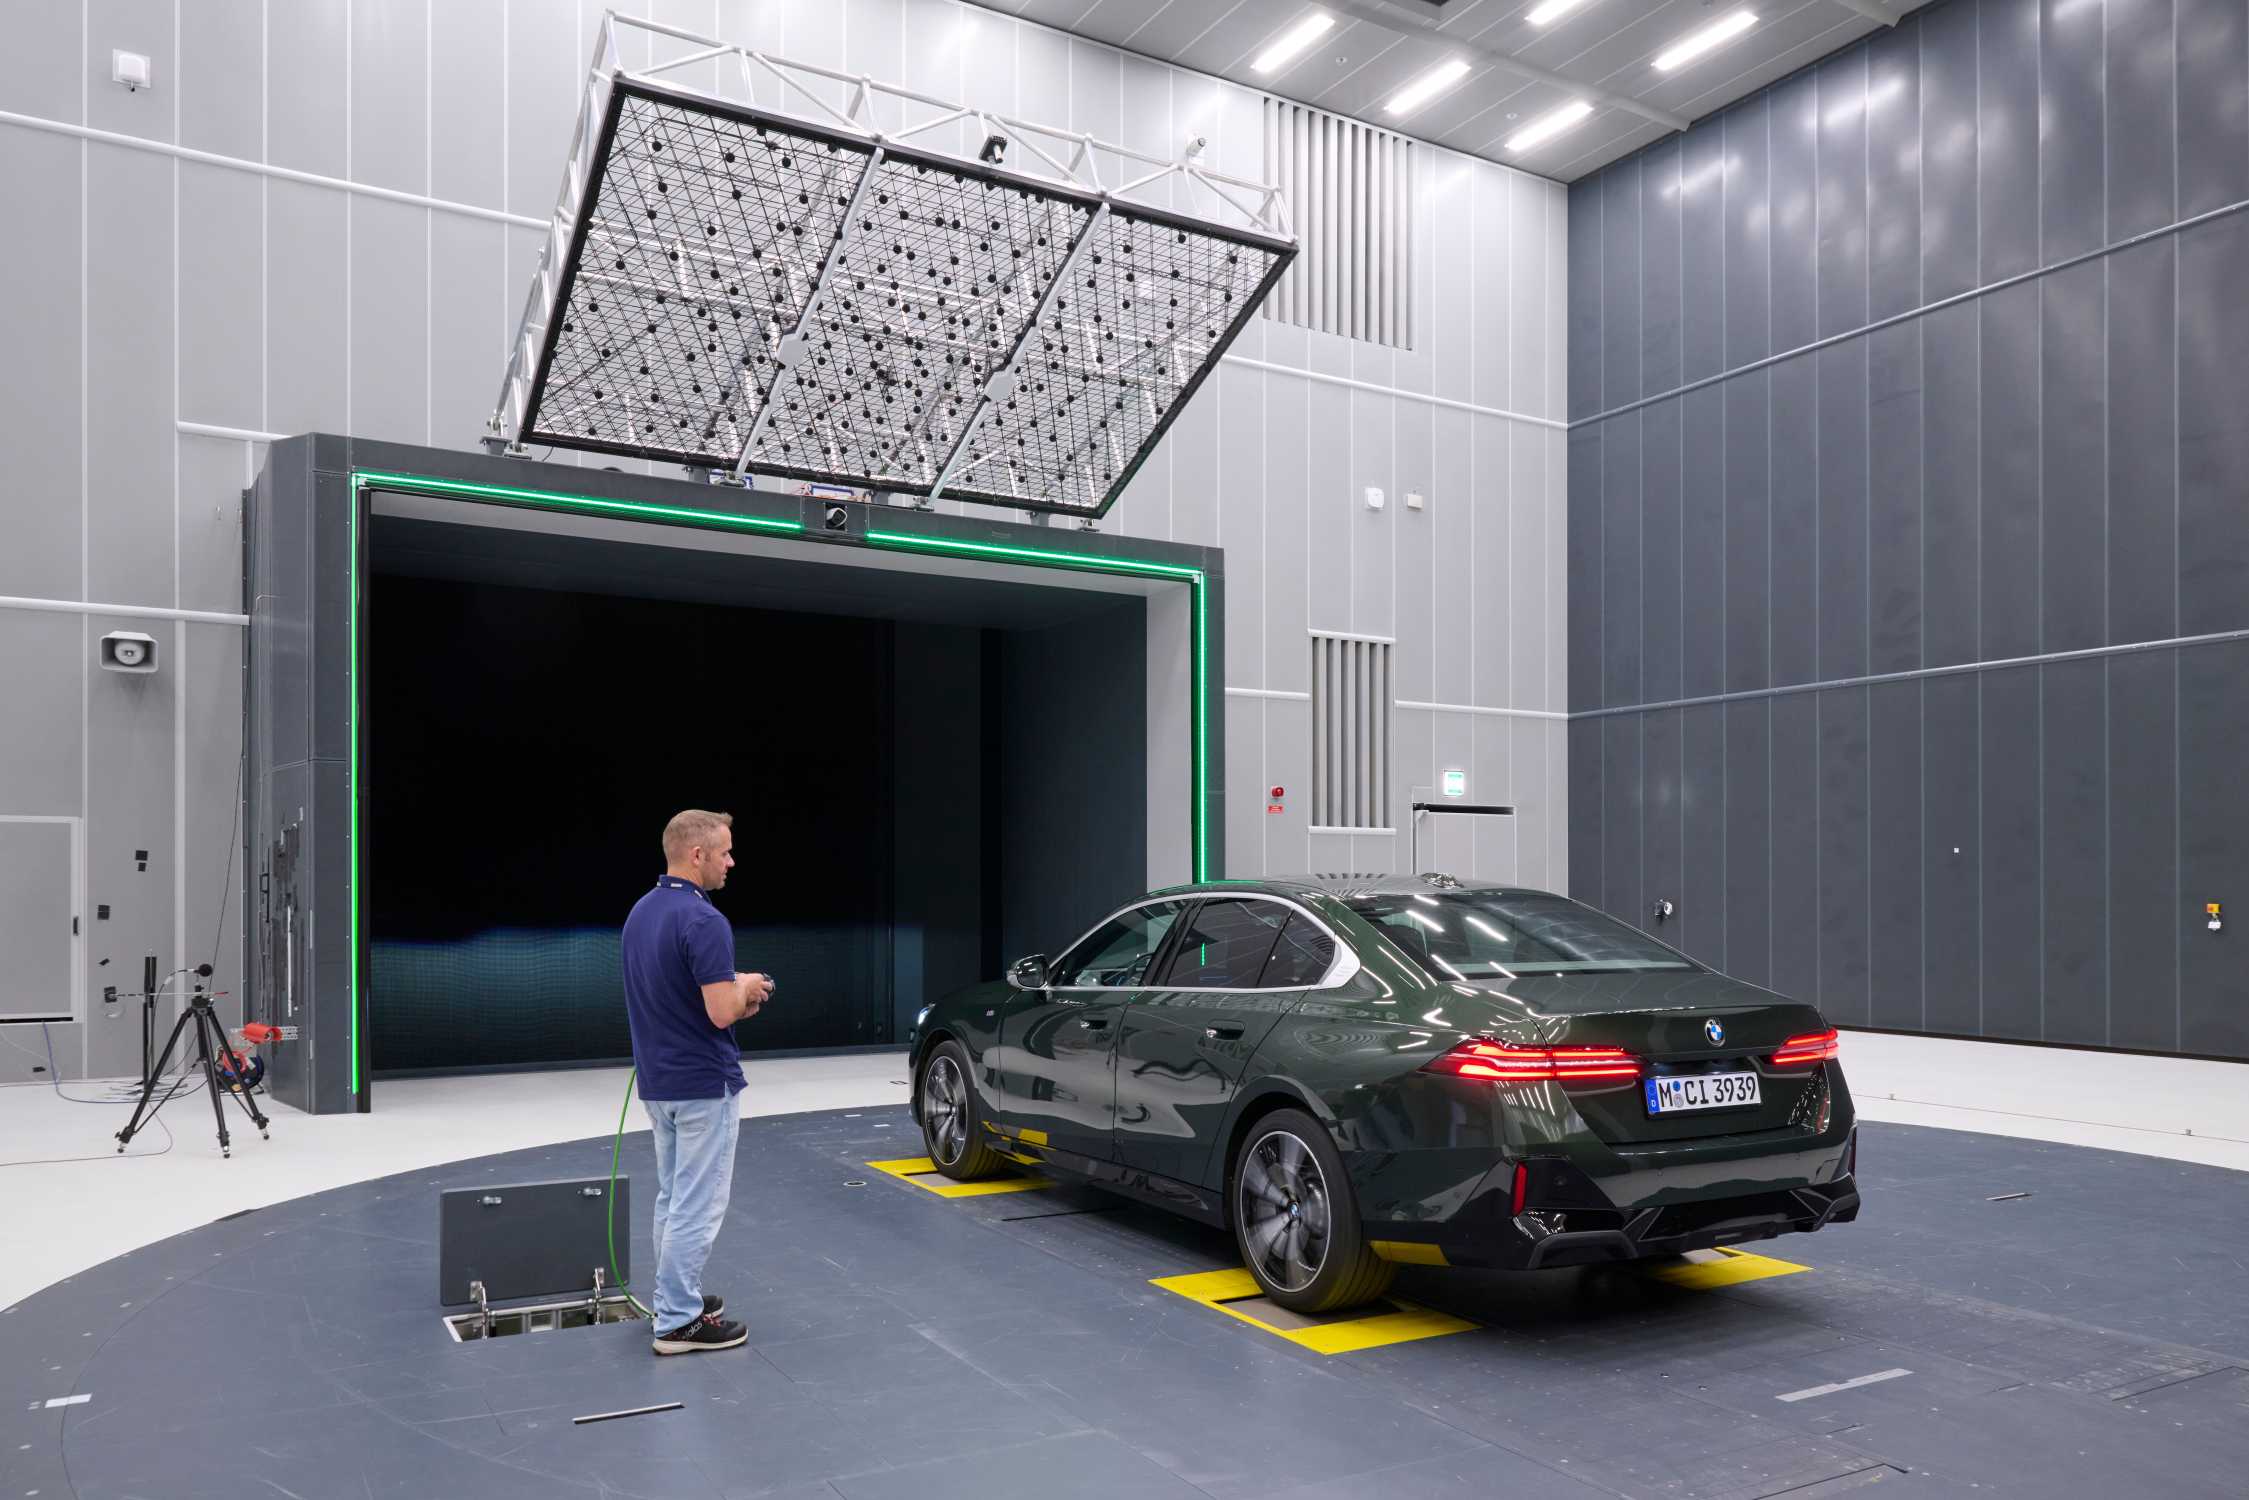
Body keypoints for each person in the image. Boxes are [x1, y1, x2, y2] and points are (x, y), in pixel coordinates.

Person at [620, 809, 775, 1355]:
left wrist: (734, 993)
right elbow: (717, 1012)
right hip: (704, 1083)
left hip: (660, 1082)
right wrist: (750, 988)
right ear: (697, 855)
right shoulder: (705, 920)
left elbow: (677, 993)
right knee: (698, 1203)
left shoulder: (641, 912)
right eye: (726, 852)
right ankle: (679, 1322)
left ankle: (673, 1300)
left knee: (673, 1197)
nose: (732, 862)